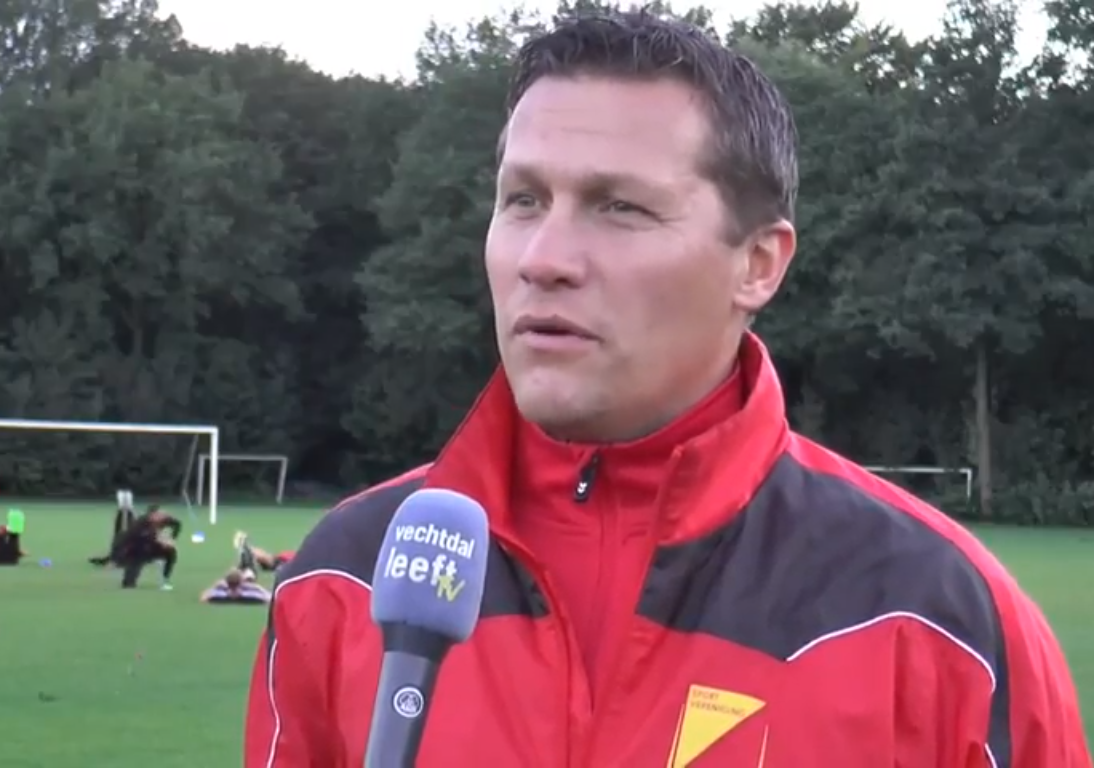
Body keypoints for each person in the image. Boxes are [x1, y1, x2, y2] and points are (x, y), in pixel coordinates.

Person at [244, 11, 1090, 768]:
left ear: (757, 264)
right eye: (523, 199)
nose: (544, 257)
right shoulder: (345, 578)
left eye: (619, 208)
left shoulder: (933, 616)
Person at [114, 505, 181, 591]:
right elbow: (136, 538)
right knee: (129, 582)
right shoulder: (141, 522)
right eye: (160, 514)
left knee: (170, 552)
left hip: (153, 546)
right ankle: (128, 581)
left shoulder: (164, 519)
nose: (163, 516)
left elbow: (177, 524)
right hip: (136, 548)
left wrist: (172, 538)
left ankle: (165, 579)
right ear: (152, 515)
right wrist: (159, 539)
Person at [88, 490, 137, 567]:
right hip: (123, 530)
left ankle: (117, 559)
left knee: (124, 540)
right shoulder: (124, 512)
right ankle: (115, 558)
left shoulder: (127, 513)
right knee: (120, 540)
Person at [200, 567, 271, 605]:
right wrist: (257, 587)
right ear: (242, 581)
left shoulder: (218, 595)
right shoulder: (252, 596)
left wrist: (214, 585)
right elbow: (269, 598)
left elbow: (204, 597)